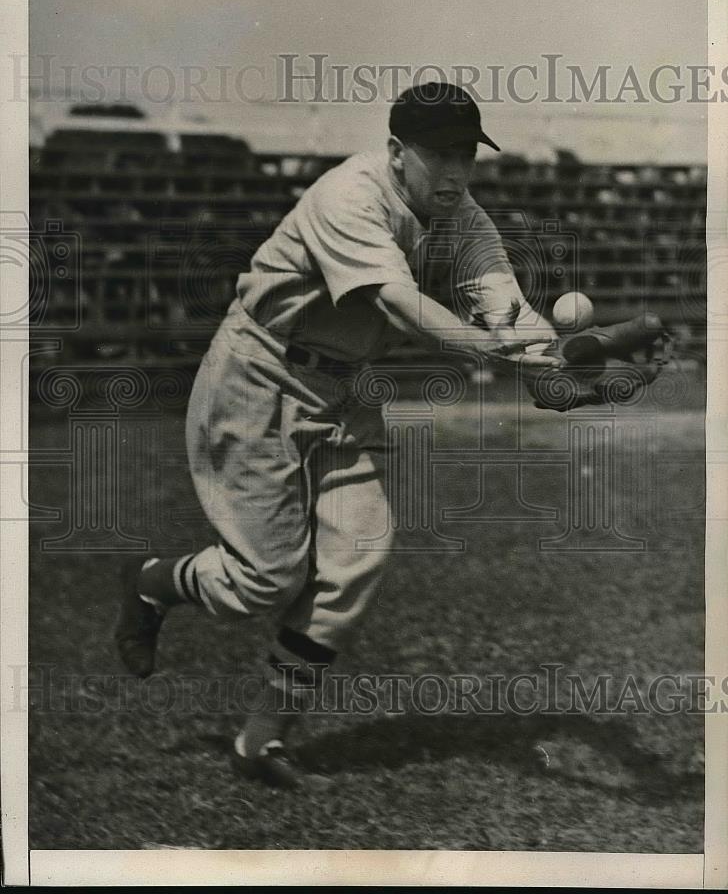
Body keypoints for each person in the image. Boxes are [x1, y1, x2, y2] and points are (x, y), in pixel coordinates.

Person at [115, 82, 559, 789]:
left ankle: (260, 742)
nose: (455, 173)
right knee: (265, 580)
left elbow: (506, 305)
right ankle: (157, 584)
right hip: (257, 374)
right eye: (439, 155)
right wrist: (492, 353)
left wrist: (560, 358)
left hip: (339, 387)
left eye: (466, 155)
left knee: (359, 555)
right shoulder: (347, 198)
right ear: (395, 151)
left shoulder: (460, 213)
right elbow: (399, 304)